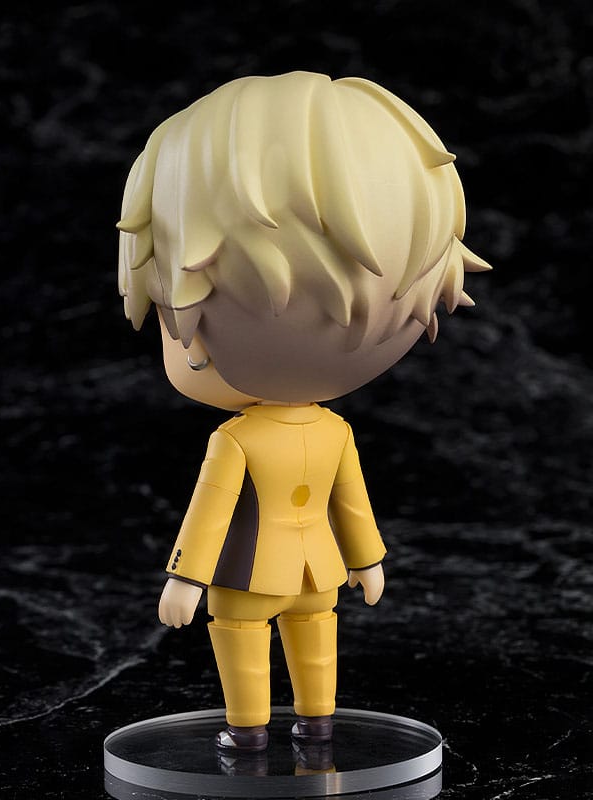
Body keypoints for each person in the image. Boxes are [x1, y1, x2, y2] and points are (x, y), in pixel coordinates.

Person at [117, 71, 490, 753]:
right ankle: (314, 721)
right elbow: (353, 503)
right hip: (319, 571)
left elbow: (211, 513)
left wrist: (185, 577)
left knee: (244, 640)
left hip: (249, 575)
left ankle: (250, 731)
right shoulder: (334, 429)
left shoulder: (236, 439)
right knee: (316, 639)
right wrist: (368, 561)